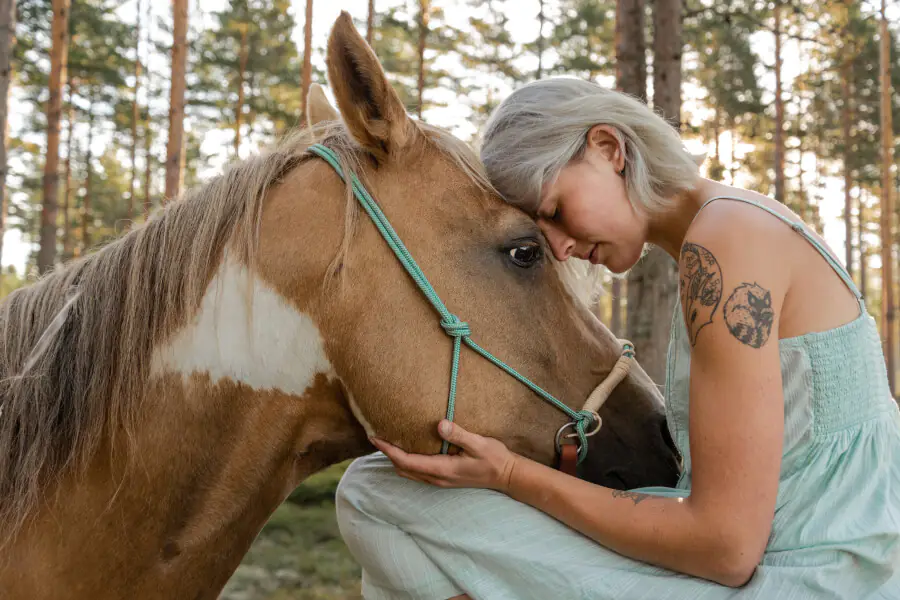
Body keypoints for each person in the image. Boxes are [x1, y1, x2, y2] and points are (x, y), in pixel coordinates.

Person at [334, 77, 900, 599]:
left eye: (555, 209)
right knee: (387, 490)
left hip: (815, 580)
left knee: (379, 497)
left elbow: (726, 548)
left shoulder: (725, 243)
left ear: (608, 148)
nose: (558, 247)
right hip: (822, 558)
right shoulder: (737, 225)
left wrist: (511, 475)